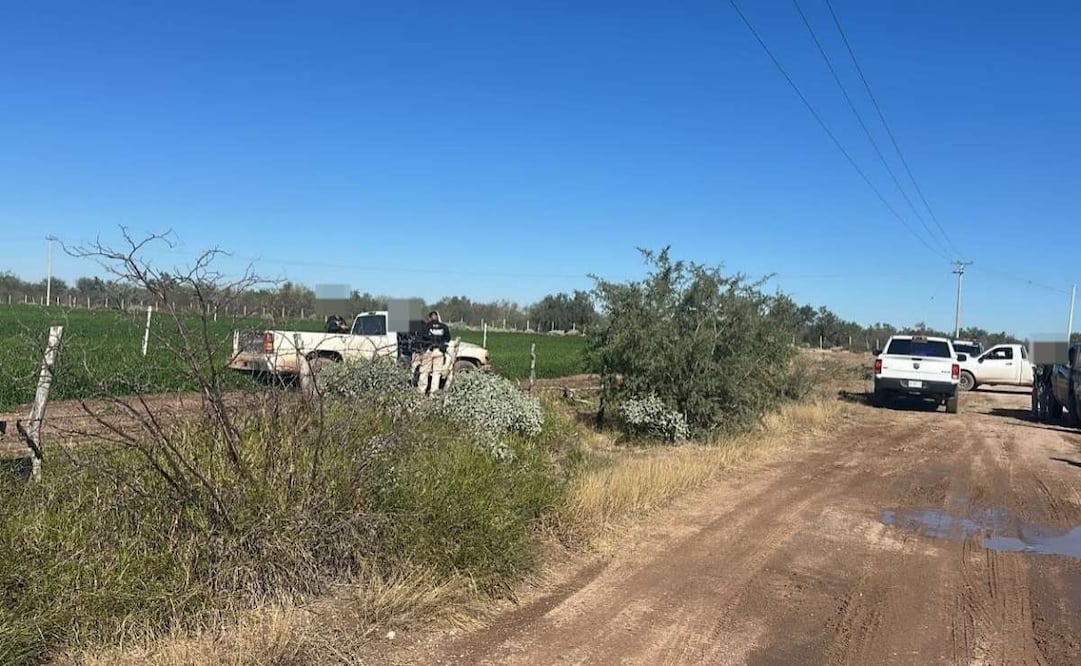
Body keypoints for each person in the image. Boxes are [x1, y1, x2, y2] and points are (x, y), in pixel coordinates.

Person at [415, 310, 452, 395]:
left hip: (428, 351)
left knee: (424, 372)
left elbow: (421, 338)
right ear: (438, 317)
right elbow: (448, 338)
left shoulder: (426, 326)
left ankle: (421, 392)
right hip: (439, 352)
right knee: (436, 373)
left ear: (430, 317)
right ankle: (433, 393)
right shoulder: (444, 327)